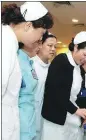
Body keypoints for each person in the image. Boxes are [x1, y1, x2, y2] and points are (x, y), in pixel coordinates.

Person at [2, 2, 53, 140]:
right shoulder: (5, 43)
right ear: (28, 26)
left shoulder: (10, 42)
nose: (40, 39)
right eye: (41, 33)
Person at [41, 31, 86, 140]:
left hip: (70, 118)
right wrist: (76, 110)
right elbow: (54, 92)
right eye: (85, 55)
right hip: (56, 119)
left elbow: (81, 94)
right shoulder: (61, 61)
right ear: (75, 47)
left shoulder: (79, 68)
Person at [32, 32, 57, 140]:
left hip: (47, 116)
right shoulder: (31, 64)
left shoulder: (53, 68)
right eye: (50, 45)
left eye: (55, 46)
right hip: (31, 114)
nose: (53, 49)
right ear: (40, 44)